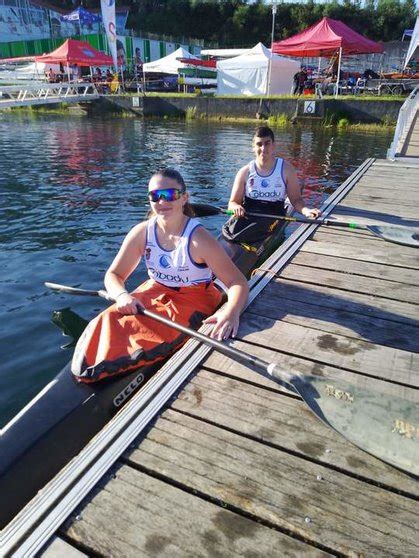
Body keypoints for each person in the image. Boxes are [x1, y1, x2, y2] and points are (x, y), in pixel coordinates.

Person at [72, 168, 249, 383]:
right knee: (106, 319)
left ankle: (109, 369)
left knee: (143, 333)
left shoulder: (199, 239)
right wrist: (121, 296)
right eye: (155, 196)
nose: (162, 201)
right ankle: (92, 365)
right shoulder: (142, 232)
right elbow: (114, 274)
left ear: (184, 198)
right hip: (154, 290)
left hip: (193, 299)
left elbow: (237, 281)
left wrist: (231, 311)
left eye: (169, 195)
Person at [223, 126, 321, 244]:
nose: (263, 148)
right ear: (253, 147)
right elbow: (232, 202)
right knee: (230, 229)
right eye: (259, 144)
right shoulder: (244, 172)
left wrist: (306, 211)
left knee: (257, 227)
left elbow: (295, 200)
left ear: (273, 145)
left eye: (267, 143)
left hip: (274, 213)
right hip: (249, 211)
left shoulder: (286, 169)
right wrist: (236, 207)